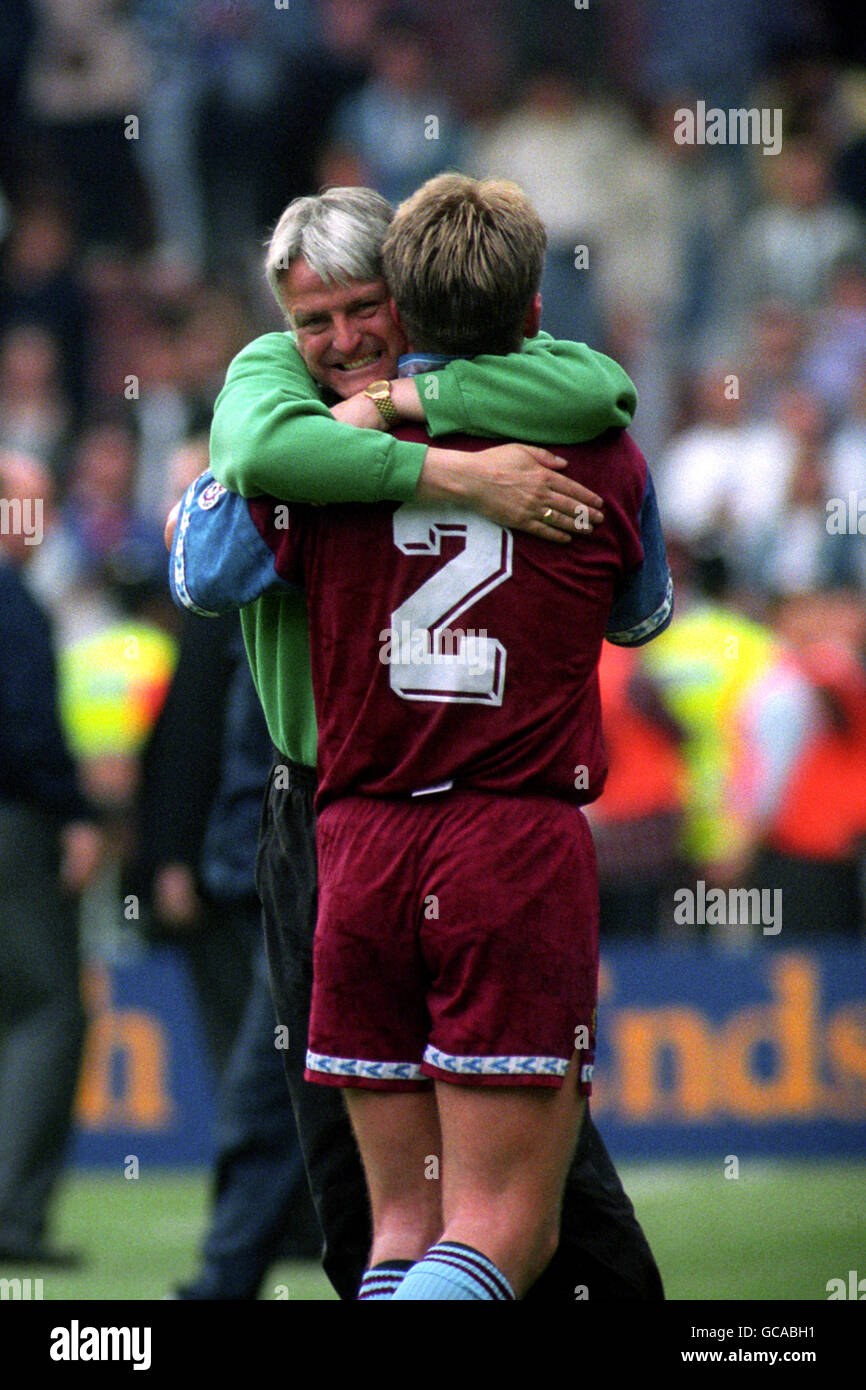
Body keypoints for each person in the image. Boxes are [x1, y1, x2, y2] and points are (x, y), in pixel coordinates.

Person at [170, 179, 668, 1299]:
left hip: (355, 835)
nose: (339, 341)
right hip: (462, 833)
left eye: (361, 310)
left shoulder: (311, 468)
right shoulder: (580, 443)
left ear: (411, 296)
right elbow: (639, 598)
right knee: (484, 1219)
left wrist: (397, 417)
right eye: (311, 322)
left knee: (409, 1217)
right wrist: (451, 466)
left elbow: (201, 560)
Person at [0, 450, 103, 1264]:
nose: (43, 529)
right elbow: (29, 728)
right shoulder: (14, 603)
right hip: (15, 830)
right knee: (48, 1011)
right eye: (31, 509)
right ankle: (12, 1218)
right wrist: (73, 813)